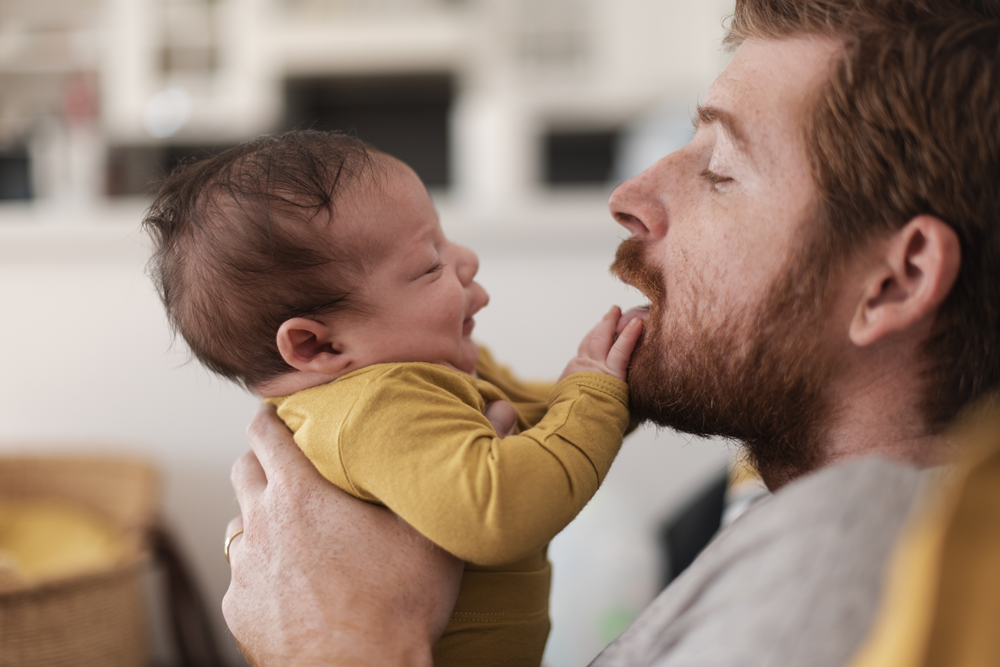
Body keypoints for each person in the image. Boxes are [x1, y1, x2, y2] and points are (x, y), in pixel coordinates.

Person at [222, 0, 1000, 664]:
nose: (629, 197)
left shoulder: (853, 547)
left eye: (722, 169)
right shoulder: (778, 513)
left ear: (894, 281)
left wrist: (342, 639)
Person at [142, 135, 643, 667]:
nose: (467, 259)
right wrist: (595, 392)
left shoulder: (426, 372)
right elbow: (502, 508)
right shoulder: (376, 406)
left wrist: (617, 381)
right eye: (430, 264)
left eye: (445, 242)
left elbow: (541, 433)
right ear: (318, 344)